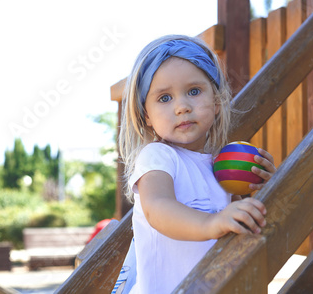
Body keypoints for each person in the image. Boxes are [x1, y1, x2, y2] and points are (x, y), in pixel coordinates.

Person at [114, 34, 276, 294]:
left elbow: (233, 218)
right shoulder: (157, 156)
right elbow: (158, 208)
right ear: (146, 117)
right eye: (164, 98)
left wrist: (262, 186)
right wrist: (211, 224)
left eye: (194, 91)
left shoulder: (219, 165)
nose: (182, 107)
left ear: (216, 102)